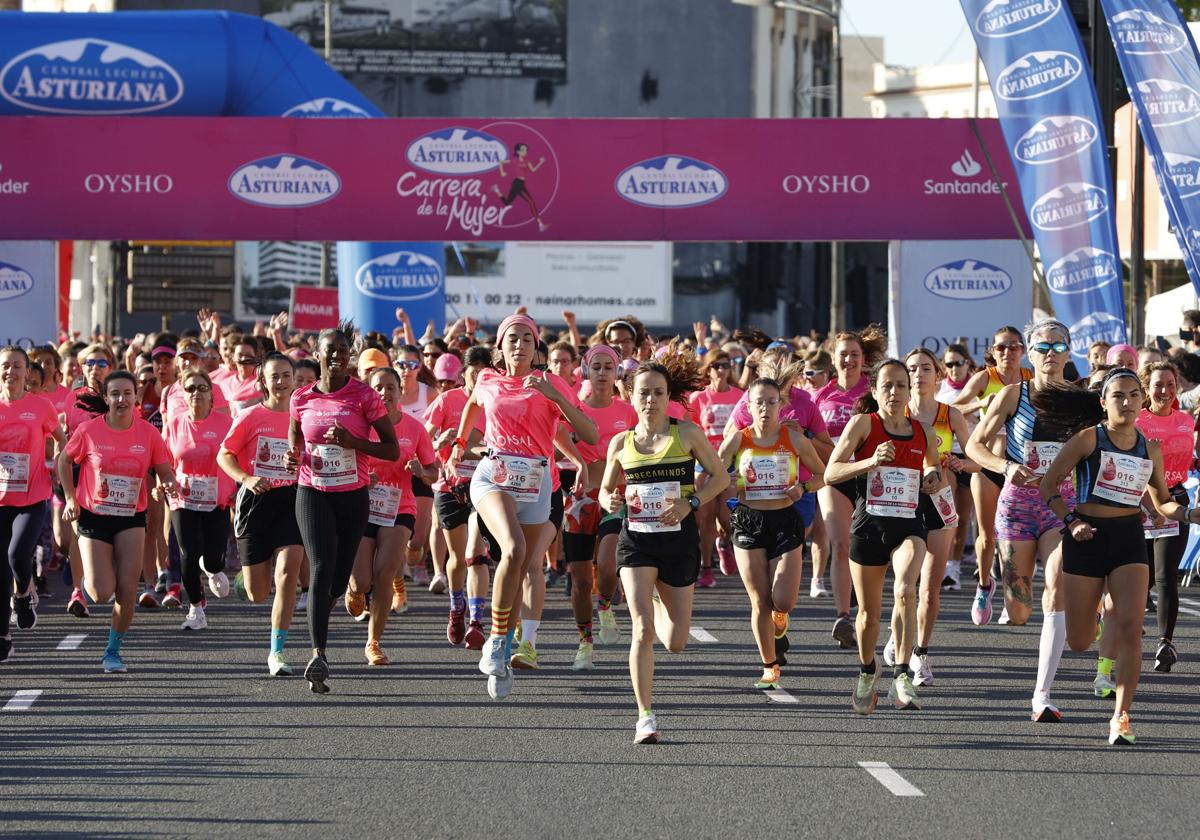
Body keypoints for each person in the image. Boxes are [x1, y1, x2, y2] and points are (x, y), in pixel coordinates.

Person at [1037, 368, 1197, 745]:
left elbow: (1162, 504)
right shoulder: (1087, 439)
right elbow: (1049, 486)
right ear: (1103, 403)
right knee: (1078, 640)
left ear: (1143, 401)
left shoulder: (1149, 448)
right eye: (1118, 396)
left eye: (1132, 395)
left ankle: (1121, 716)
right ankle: (1093, 613)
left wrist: (1189, 514)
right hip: (1086, 536)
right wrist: (1071, 522)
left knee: (1129, 630)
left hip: (1128, 538)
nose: (1126, 402)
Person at [448, 313, 597, 700]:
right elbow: (471, 409)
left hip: (538, 483)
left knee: (518, 569)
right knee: (513, 549)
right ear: (500, 347)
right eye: (511, 339)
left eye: (526, 340)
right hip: (493, 476)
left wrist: (556, 396)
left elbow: (588, 433)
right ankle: (497, 644)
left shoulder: (550, 383)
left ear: (536, 348)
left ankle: (500, 651)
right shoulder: (487, 380)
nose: (518, 345)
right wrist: (458, 446)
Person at [599, 356, 729, 743]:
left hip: (678, 540)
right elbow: (606, 488)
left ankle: (658, 597)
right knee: (642, 630)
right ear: (631, 396)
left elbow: (720, 477)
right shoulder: (621, 443)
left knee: (675, 641)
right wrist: (608, 499)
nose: (651, 400)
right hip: (637, 541)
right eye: (644, 393)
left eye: (658, 393)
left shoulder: (686, 434)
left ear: (669, 396)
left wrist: (692, 502)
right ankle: (645, 716)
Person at [965, 319, 1076, 722]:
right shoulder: (1015, 394)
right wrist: (1004, 466)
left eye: (1057, 346)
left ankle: (1042, 695)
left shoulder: (1082, 399)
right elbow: (975, 445)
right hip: (1018, 506)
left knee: (1056, 589)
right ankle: (995, 585)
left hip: (1061, 507)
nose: (1050, 355)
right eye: (1042, 348)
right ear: (1031, 353)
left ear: (1069, 351)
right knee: (1020, 609)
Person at [285, 322, 399, 694]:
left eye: (343, 350)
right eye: (330, 349)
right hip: (312, 491)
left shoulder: (364, 396)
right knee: (319, 568)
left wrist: (353, 441)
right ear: (317, 354)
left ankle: (343, 594)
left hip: (352, 495)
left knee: (337, 580)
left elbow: (391, 449)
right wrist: (294, 456)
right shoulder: (301, 397)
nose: (337, 355)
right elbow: (295, 436)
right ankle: (318, 655)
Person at [825, 359, 944, 715]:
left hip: (909, 523)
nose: (894, 392)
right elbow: (831, 472)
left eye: (901, 386)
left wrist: (934, 477)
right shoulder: (863, 424)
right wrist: (869, 462)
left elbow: (933, 467)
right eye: (887, 386)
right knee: (868, 616)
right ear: (875, 391)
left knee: (907, 590)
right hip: (869, 527)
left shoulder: (922, 431)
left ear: (910, 392)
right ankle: (867, 670)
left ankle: (902, 674)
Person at [59, 370, 177, 673]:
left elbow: (163, 468)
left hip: (130, 518)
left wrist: (167, 483)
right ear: (107, 398)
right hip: (95, 516)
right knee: (100, 592)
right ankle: (94, 575)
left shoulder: (149, 434)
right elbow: (64, 460)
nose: (121, 399)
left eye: (127, 393)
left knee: (126, 591)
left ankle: (113, 651)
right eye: (115, 394)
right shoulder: (89, 431)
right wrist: (71, 498)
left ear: (136, 397)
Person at [718, 377, 825, 690]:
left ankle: (781, 621)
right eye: (759, 402)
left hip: (784, 520)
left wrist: (802, 487)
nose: (765, 407)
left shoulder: (794, 439)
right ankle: (769, 666)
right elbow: (712, 473)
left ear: (782, 405)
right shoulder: (739, 440)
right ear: (748, 407)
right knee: (760, 602)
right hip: (748, 521)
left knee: (783, 601)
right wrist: (729, 481)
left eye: (771, 401)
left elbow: (822, 475)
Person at [883, 348, 976, 686]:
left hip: (940, 504)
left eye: (926, 368)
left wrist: (961, 464)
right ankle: (899, 637)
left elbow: (976, 456)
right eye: (912, 369)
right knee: (904, 584)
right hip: (902, 506)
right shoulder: (894, 414)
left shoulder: (950, 416)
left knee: (930, 590)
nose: (919, 374)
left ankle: (921, 652)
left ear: (938, 376)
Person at [218, 353, 305, 676]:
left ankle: (277, 651)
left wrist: (302, 464)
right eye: (274, 376)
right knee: (257, 593)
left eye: (286, 375)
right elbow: (224, 454)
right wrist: (246, 478)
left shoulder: (304, 417)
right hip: (256, 501)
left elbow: (314, 454)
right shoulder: (251, 416)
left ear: (295, 379)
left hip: (293, 500)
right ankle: (246, 577)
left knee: (287, 572)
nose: (281, 382)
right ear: (263, 382)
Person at [345, 367, 437, 665]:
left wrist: (421, 472)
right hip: (362, 506)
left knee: (386, 572)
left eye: (390, 387)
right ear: (369, 392)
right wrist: (361, 478)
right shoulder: (359, 426)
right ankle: (354, 590)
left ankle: (374, 642)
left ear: (400, 392)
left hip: (400, 507)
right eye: (378, 387)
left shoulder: (415, 428)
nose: (384, 392)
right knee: (362, 581)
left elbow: (433, 472)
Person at [562, 344, 638, 669]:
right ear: (586, 371)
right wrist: (576, 457)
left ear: (617, 371)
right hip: (578, 498)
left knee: (608, 565)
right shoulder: (573, 410)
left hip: (616, 496)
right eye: (597, 367)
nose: (603, 373)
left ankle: (605, 605)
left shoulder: (627, 411)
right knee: (579, 580)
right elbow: (554, 444)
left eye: (609, 367)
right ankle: (585, 642)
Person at [813, 326, 887, 648]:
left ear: (863, 358)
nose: (849, 360)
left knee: (866, 546)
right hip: (833, 477)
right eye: (843, 354)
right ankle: (844, 616)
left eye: (855, 354)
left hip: (869, 476)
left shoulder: (873, 393)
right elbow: (808, 437)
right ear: (833, 358)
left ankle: (863, 607)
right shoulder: (820, 396)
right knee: (840, 544)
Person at [953, 326, 1033, 624]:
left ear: (1023, 351)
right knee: (987, 537)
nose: (1007, 353)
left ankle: (1011, 599)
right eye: (1001, 347)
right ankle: (985, 585)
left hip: (1021, 467)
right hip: (988, 465)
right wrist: (980, 403)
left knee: (1016, 538)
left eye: (1013, 347)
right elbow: (953, 408)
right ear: (992, 351)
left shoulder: (1029, 380)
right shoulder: (985, 378)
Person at [0, 347, 65, 662]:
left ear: (27, 373)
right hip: (0, 498)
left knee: (16, 554)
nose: (10, 371)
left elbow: (61, 439)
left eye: (16, 366)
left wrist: (58, 467)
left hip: (33, 495)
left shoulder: (40, 406)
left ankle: (23, 594)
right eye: (5, 366)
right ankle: (3, 635)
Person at [424, 345, 491, 649]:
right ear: (463, 374)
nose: (479, 377)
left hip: (486, 485)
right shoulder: (447, 400)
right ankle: (456, 607)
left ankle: (477, 620)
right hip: (449, 485)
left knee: (476, 556)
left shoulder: (495, 400)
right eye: (473, 372)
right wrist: (439, 440)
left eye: (484, 371)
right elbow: (422, 436)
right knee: (457, 558)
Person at [162, 369, 235, 631]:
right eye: (190, 388)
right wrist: (163, 482)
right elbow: (164, 462)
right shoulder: (174, 424)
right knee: (187, 553)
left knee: (214, 558)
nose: (196, 393)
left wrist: (238, 485)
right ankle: (196, 608)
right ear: (183, 394)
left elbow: (237, 457)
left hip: (217, 499)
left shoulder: (226, 424)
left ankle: (212, 567)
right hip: (184, 499)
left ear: (212, 394)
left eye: (202, 388)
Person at [1134, 362, 1193, 673]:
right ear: (1147, 388)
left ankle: (1165, 643)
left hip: (1176, 497)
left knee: (1166, 576)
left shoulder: (1185, 421)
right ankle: (1120, 629)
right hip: (1137, 500)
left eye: (1170, 384)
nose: (1165, 391)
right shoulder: (1138, 420)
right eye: (1158, 385)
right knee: (1137, 576)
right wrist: (1149, 504)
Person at [688, 349, 743, 586]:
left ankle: (725, 542)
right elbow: (691, 433)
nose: (721, 370)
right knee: (705, 518)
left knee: (728, 516)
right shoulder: (698, 398)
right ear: (708, 369)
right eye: (716, 366)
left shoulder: (740, 396)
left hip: (731, 465)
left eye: (726, 365)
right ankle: (707, 568)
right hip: (704, 465)